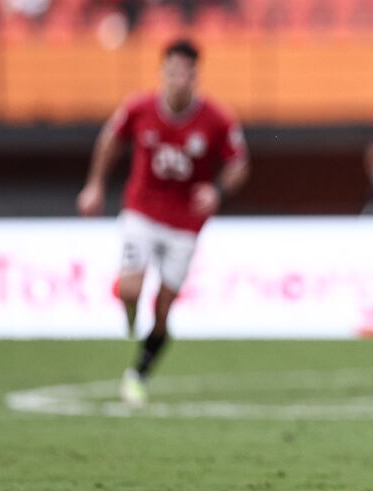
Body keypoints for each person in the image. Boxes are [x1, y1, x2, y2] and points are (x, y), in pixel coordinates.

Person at [76, 39, 250, 407]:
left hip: (186, 223)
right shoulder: (139, 109)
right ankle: (128, 316)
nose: (178, 79)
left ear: (195, 76)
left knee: (164, 308)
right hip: (142, 209)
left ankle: (138, 372)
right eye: (171, 71)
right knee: (129, 289)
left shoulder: (216, 119)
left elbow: (238, 163)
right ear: (162, 73)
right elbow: (110, 141)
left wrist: (217, 191)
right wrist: (94, 185)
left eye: (185, 72)